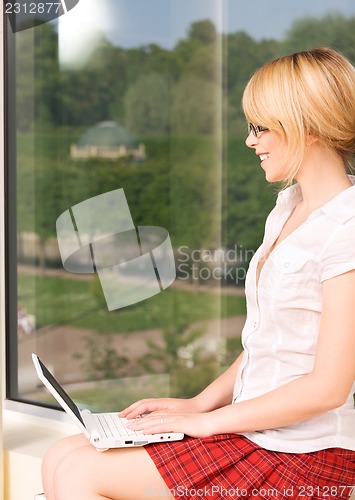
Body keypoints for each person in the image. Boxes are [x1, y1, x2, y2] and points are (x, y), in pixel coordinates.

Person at [41, 47, 355, 499]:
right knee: (61, 455)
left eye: (262, 127)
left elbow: (326, 388)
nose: (251, 141)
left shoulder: (346, 228)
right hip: (262, 432)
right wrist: (197, 403)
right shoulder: (288, 209)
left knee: (80, 474)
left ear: (309, 126)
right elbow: (272, 343)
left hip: (309, 455)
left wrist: (206, 422)